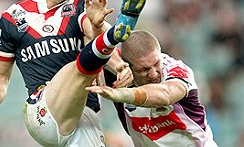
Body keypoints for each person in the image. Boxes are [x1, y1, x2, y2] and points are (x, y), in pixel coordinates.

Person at [0, 0, 150, 146]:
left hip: (84, 117)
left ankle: (113, 34)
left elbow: (92, 33)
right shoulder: (13, 17)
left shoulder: (80, 4)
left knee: (94, 40)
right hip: (42, 111)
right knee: (81, 66)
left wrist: (119, 63)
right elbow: (0, 76)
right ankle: (116, 32)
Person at [87, 30, 218, 147]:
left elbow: (166, 95)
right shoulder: (119, 72)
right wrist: (97, 22)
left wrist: (123, 95)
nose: (154, 74)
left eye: (156, 64)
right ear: (129, 66)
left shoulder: (177, 70)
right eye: (144, 70)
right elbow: (100, 40)